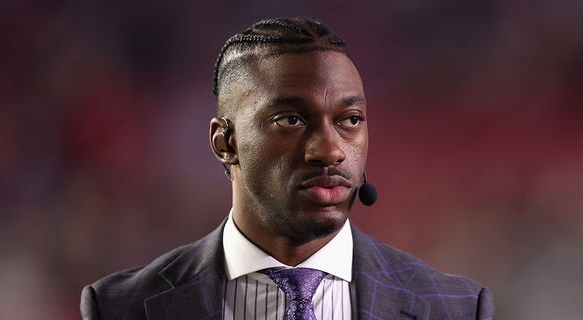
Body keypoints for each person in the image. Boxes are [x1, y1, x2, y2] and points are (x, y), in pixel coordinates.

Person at [81, 17, 494, 320]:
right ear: (225, 143)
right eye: (292, 120)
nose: (330, 150)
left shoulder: (455, 308)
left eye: (350, 120)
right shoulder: (121, 307)